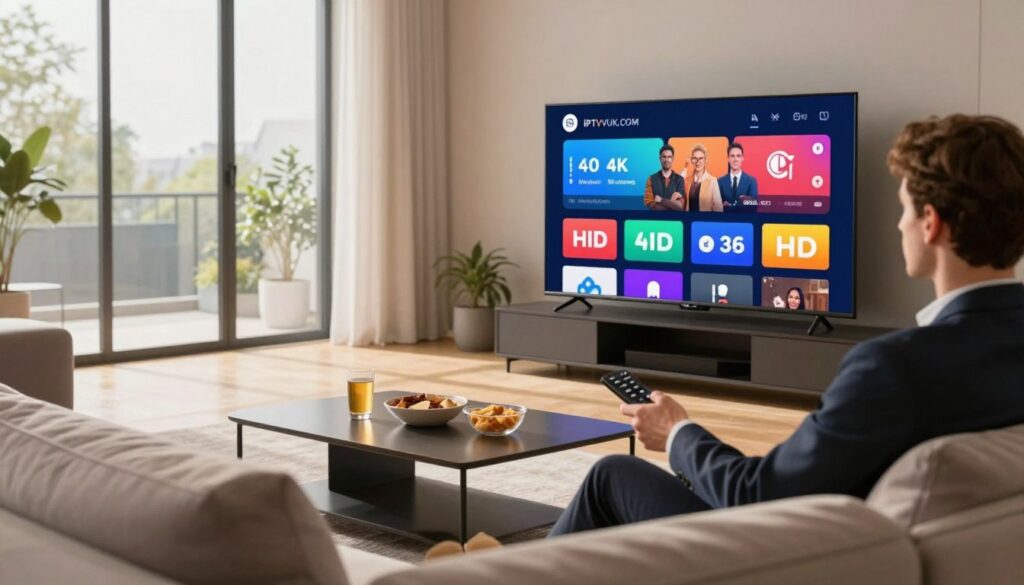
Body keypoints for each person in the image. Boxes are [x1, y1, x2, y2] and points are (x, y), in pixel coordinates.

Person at [549, 113, 1024, 536]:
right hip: (906, 548)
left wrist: (676, 432)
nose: (899, 225)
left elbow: (756, 495)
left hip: (798, 556)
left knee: (611, 475)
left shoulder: (893, 368)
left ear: (930, 223)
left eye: (903, 209)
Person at [643, 145, 686, 211]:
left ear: (673, 158)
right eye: (664, 157)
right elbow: (649, 203)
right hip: (656, 220)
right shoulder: (651, 179)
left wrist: (661, 200)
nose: (666, 160)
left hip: (675, 220)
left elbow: (680, 207)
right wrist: (671, 204)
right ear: (660, 158)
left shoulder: (680, 180)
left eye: (669, 157)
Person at [717, 142, 759, 211]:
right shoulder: (720, 181)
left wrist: (743, 201)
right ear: (728, 159)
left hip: (745, 220)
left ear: (742, 158)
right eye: (732, 156)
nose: (735, 159)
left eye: (738, 156)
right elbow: (716, 205)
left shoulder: (751, 181)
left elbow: (754, 205)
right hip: (725, 220)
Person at [683, 144, 724, 212]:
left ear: (706, 160)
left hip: (705, 221)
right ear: (692, 160)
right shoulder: (687, 181)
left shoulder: (712, 181)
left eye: (701, 158)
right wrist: (685, 167)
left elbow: (718, 208)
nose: (698, 162)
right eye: (695, 158)